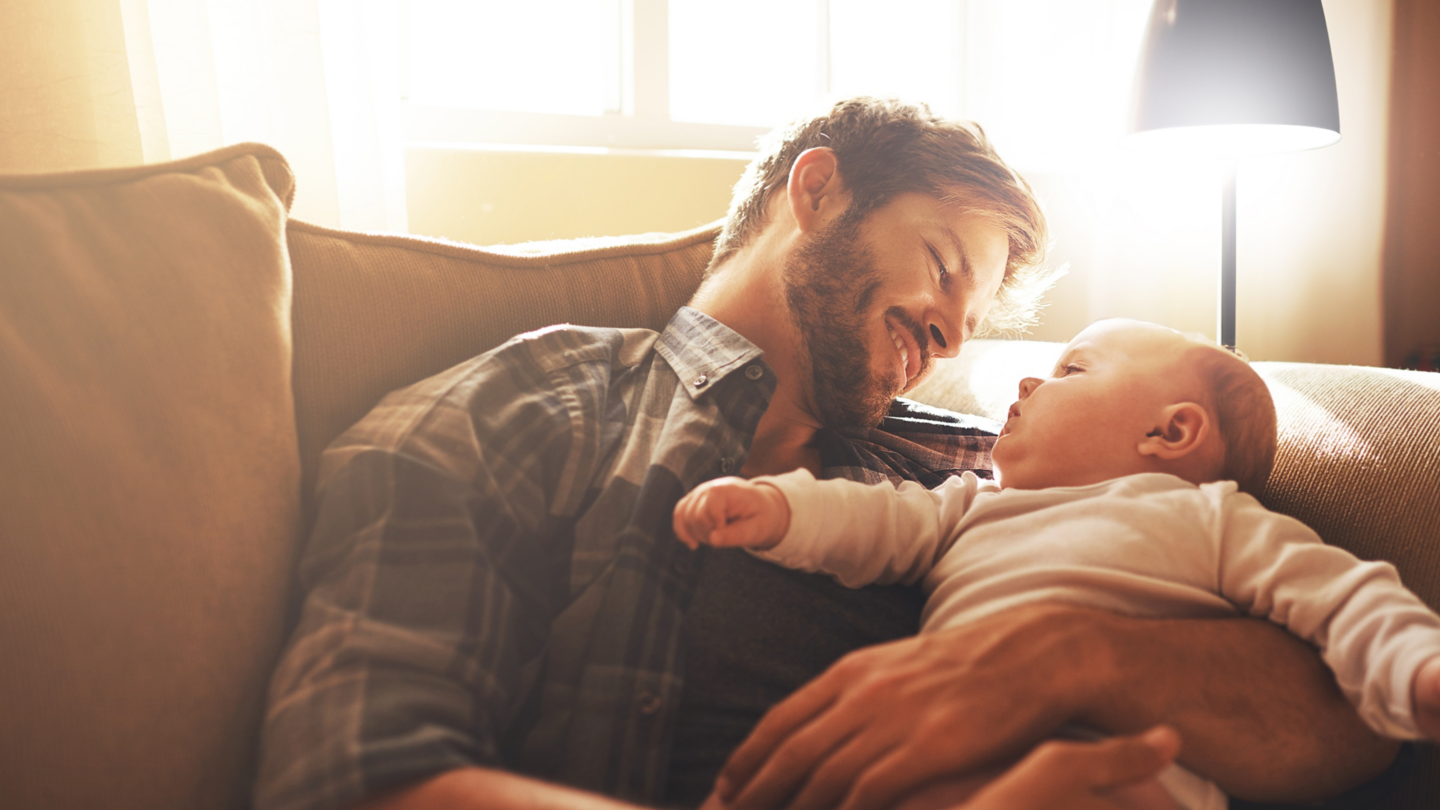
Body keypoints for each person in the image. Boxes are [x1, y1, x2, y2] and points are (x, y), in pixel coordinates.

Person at [253, 97, 1399, 810]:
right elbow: (358, 777)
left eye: (973, 316)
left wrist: (1069, 659)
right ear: (817, 191)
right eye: (945, 265)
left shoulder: (980, 477)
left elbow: (1349, 725)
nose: (955, 332)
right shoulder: (529, 411)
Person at [673, 317, 1440, 810]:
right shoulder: (969, 505)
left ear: (1171, 434)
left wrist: (1416, 666)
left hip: (1125, 777)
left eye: (1073, 371)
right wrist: (776, 509)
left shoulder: (1210, 520)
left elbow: (1342, 598)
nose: (1030, 381)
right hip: (956, 752)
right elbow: (874, 520)